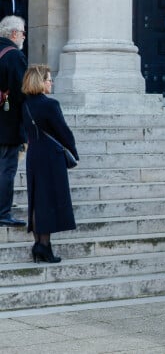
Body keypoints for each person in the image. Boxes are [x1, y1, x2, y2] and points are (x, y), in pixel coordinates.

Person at [21, 64, 79, 263]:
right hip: (51, 156)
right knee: (49, 200)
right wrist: (73, 151)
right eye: (48, 79)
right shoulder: (50, 104)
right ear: (40, 82)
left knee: (37, 200)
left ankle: (40, 244)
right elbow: (63, 132)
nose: (51, 82)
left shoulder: (25, 104)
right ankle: (44, 246)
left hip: (34, 155)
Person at [0, 15, 27, 227]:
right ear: (15, 34)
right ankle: (3, 212)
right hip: (7, 123)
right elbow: (22, 92)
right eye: (23, 32)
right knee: (6, 168)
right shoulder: (15, 56)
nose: (24, 37)